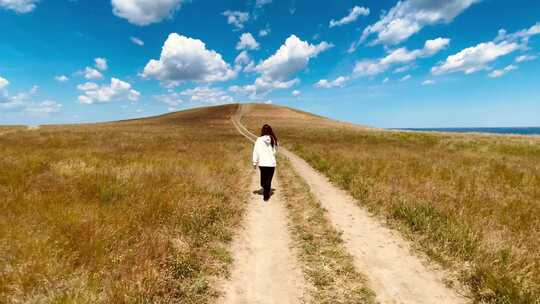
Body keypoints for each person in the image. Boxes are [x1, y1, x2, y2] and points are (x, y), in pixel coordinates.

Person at [252, 124, 278, 201]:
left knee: (264, 180)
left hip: (262, 163)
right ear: (270, 130)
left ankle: (266, 194)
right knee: (268, 180)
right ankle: (266, 194)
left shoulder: (259, 140)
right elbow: (275, 151)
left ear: (262, 131)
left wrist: (254, 162)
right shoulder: (273, 139)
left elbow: (255, 151)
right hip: (271, 163)